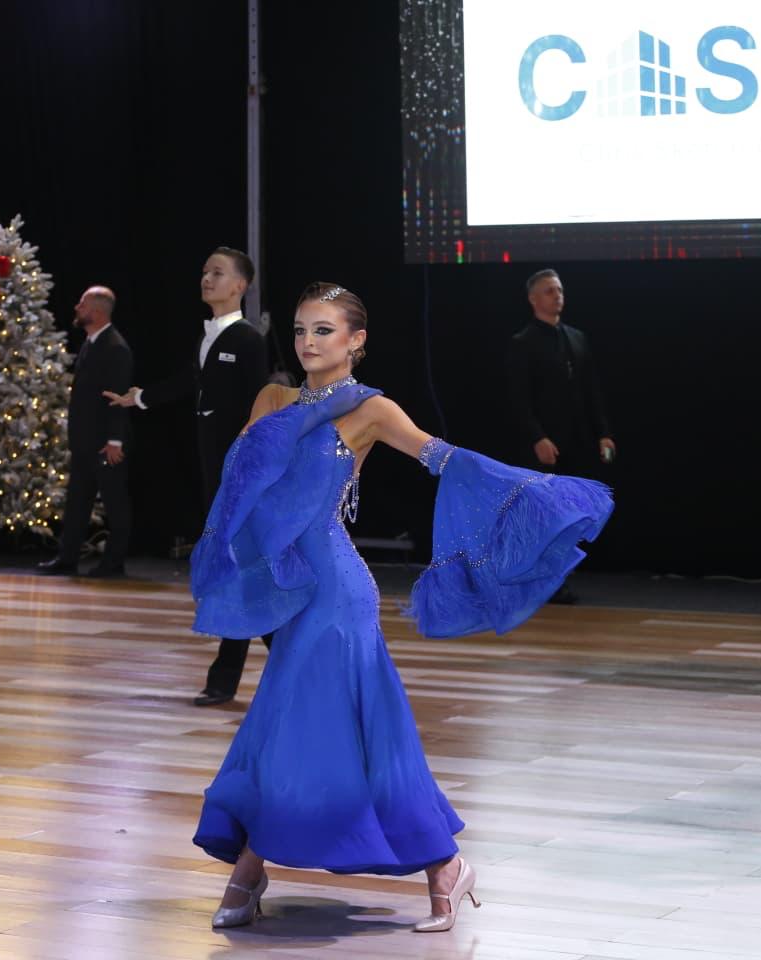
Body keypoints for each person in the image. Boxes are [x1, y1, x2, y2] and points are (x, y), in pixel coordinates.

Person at [190, 281, 613, 931]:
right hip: (293, 585)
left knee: (308, 721)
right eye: (301, 330)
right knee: (305, 723)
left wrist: (537, 500)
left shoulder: (372, 410)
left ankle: (255, 867)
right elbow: (243, 494)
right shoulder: (272, 400)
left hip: (339, 593)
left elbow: (442, 459)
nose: (308, 342)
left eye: (324, 330)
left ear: (356, 340)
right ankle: (438, 866)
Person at [105, 248, 269, 705]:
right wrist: (141, 398)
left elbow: (262, 405)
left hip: (240, 475)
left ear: (240, 286)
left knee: (241, 570)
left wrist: (251, 466)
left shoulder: (249, 340)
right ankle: (263, 672)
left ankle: (233, 676)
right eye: (204, 271)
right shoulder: (207, 337)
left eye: (218, 273)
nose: (206, 278)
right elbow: (189, 382)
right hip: (214, 473)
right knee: (239, 572)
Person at [506, 269, 614, 603]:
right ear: (533, 299)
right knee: (543, 514)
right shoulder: (523, 343)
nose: (557, 296)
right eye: (550, 291)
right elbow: (518, 399)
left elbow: (591, 391)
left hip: (576, 441)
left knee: (570, 513)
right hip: (544, 445)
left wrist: (603, 433)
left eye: (560, 290)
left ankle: (559, 577)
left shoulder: (577, 338)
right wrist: (537, 437)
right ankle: (539, 582)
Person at [39, 286, 133, 577]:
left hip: (105, 443)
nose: (77, 308)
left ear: (97, 311)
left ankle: (114, 562)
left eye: (82, 304)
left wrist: (115, 440)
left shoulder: (115, 348)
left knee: (115, 503)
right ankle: (67, 558)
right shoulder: (91, 343)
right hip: (84, 442)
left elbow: (117, 397)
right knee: (77, 502)